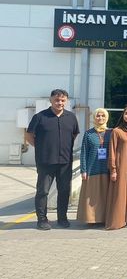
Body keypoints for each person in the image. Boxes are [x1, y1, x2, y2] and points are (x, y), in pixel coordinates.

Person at [26, 89, 79, 230]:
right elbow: (29, 135)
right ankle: (42, 219)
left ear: (66, 101)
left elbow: (74, 135)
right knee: (43, 191)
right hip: (45, 161)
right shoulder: (40, 117)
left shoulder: (71, 118)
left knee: (64, 191)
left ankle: (62, 218)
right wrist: (41, 147)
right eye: (57, 100)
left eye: (62, 100)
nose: (59, 103)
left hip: (65, 162)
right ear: (51, 100)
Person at [105, 106, 127, 230]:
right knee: (120, 193)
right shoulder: (117, 131)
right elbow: (112, 151)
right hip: (121, 166)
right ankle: (118, 220)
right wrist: (113, 169)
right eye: (126, 113)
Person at [77, 108, 111, 225]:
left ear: (106, 118)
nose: (100, 118)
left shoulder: (111, 133)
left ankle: (104, 218)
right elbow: (84, 152)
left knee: (104, 195)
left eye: (103, 116)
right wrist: (83, 170)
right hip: (92, 169)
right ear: (94, 118)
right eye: (98, 116)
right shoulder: (88, 133)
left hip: (107, 170)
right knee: (92, 196)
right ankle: (91, 219)